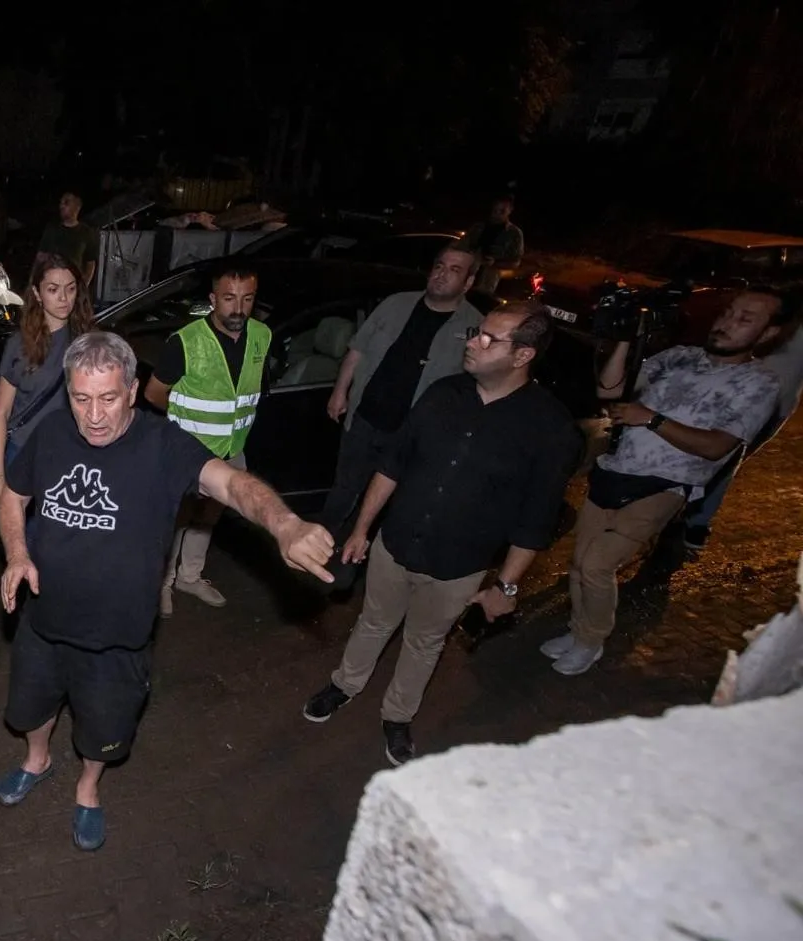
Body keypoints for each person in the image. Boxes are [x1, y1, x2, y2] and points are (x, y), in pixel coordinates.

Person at [0, 332, 333, 849]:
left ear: (132, 390)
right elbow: (13, 498)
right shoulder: (53, 433)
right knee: (29, 710)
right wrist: (17, 555)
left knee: (102, 728)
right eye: (82, 399)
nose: (95, 415)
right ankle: (36, 760)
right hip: (43, 620)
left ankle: (87, 789)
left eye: (108, 398)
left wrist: (284, 523)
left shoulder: (164, 445)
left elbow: (231, 485)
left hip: (117, 636)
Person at [301, 304, 580, 765]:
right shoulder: (442, 393)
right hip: (396, 543)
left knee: (425, 641)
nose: (472, 342)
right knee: (373, 621)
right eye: (477, 333)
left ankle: (397, 715)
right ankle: (344, 685)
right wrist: (363, 529)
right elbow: (392, 466)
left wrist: (506, 587)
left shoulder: (550, 429)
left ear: (522, 355)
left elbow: (536, 521)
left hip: (459, 565)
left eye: (490, 339)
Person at [544, 289, 785, 676]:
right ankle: (576, 631)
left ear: (769, 333)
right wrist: (625, 340)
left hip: (664, 485)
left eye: (745, 319)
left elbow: (716, 447)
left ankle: (591, 641)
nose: (726, 323)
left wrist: (651, 418)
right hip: (614, 470)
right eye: (728, 312)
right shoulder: (680, 357)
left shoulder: (757, 383)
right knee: (579, 564)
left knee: (597, 564)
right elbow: (608, 391)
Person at [321, 245, 484, 545]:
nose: (442, 274)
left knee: (392, 499)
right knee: (344, 487)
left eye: (454, 270)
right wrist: (340, 392)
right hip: (364, 419)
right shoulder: (395, 305)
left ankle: (363, 549)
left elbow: (473, 389)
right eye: (439, 265)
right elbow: (357, 348)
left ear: (469, 282)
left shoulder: (474, 327)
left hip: (411, 435)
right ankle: (323, 541)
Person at [143, 261, 271, 613]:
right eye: (230, 299)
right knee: (178, 519)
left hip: (232, 449)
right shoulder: (185, 342)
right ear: (214, 299)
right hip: (188, 454)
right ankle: (163, 585)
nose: (238, 308)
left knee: (208, 519)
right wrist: (184, 424)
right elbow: (154, 393)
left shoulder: (262, 335)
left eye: (247, 299)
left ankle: (190, 575)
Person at [680, 316, 803, 553]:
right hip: (767, 399)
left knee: (715, 456)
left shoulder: (777, 309)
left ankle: (686, 515)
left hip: (749, 393)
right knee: (722, 461)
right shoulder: (779, 313)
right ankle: (692, 520)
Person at [0, 254, 94, 502]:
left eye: (70, 289)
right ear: (37, 293)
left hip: (70, 455)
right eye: (53, 289)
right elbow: (1, 413)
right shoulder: (19, 344)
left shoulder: (87, 342)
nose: (63, 298)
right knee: (17, 535)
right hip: (22, 452)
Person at [462, 196, 524, 295]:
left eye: (502, 211)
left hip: (486, 284)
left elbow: (515, 262)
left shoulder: (514, 233)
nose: (497, 214)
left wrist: (494, 263)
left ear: (510, 210)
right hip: (464, 277)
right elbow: (461, 247)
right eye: (495, 210)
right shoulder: (478, 227)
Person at [36, 191, 99, 285]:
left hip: (73, 284)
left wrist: (84, 285)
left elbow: (90, 263)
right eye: (60, 203)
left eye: (66, 202)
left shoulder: (86, 233)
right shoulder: (52, 229)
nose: (62, 206)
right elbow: (40, 256)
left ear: (77, 206)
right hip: (53, 282)